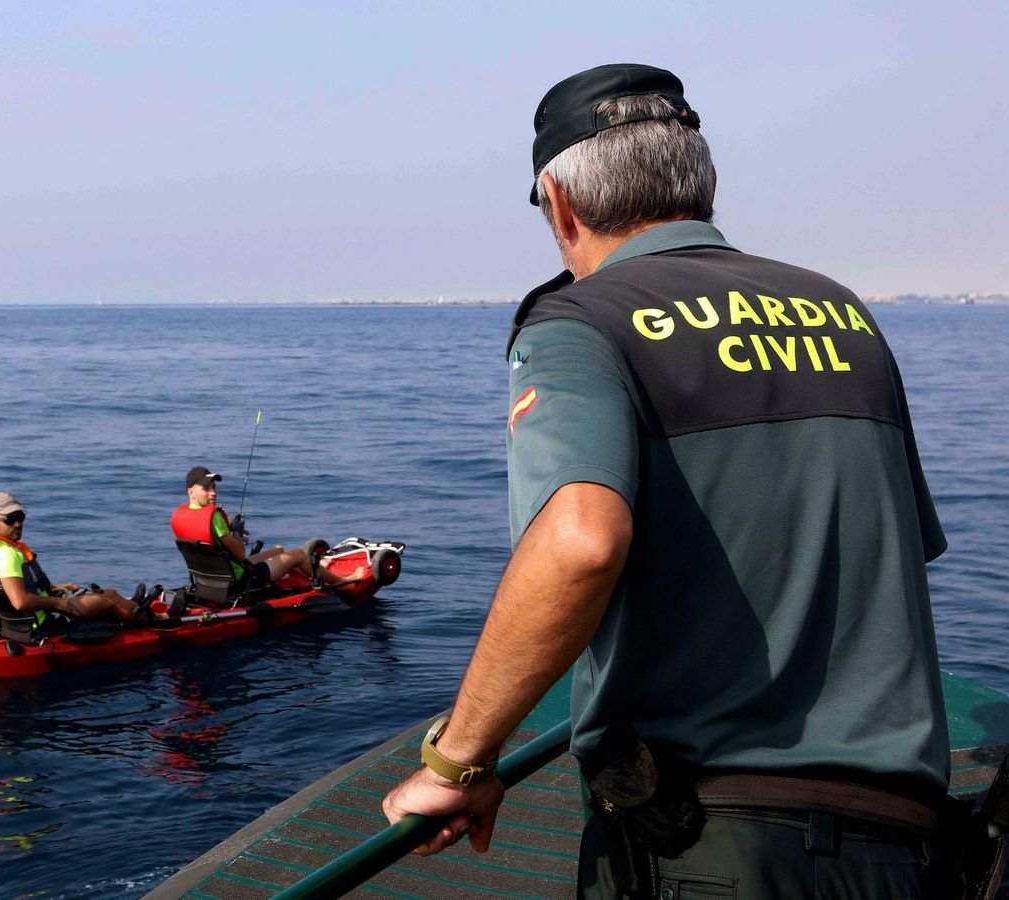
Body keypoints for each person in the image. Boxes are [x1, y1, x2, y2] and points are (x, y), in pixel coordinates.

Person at [382, 64, 954, 897]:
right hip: (908, 845)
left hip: (713, 847)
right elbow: (896, 553)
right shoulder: (842, 313)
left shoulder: (582, 323)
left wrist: (456, 761)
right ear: (705, 182)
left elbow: (579, 544)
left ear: (560, 202)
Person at [0, 492, 150, 624]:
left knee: (109, 593)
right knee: (106, 601)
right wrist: (58, 602)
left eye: (21, 517)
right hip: (44, 620)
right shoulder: (7, 555)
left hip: (19, 621)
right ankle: (158, 621)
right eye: (10, 519)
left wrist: (58, 588)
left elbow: (10, 587)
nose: (18, 524)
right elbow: (20, 601)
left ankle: (136, 607)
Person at [169, 466, 352, 589]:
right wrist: (238, 535)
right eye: (206, 488)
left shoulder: (180, 517)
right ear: (190, 491)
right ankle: (343, 581)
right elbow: (240, 554)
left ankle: (316, 570)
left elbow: (213, 545)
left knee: (279, 549)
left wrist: (230, 530)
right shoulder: (214, 518)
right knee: (296, 553)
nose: (213, 492)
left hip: (209, 580)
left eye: (214, 487)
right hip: (239, 582)